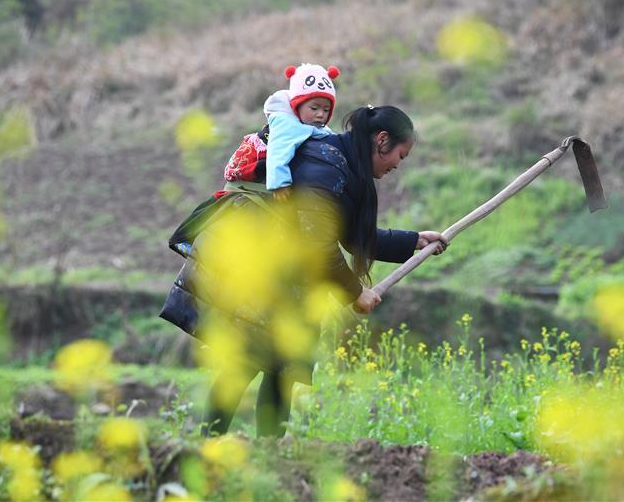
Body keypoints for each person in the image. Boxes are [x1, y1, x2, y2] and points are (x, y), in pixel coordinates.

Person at [160, 104, 448, 437]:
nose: (399, 164)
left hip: (281, 271)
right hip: (259, 265)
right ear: (381, 140)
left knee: (283, 364)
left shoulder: (340, 165)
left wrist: (414, 241)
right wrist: (356, 293)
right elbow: (320, 246)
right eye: (401, 154)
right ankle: (210, 446)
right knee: (250, 360)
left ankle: (268, 452)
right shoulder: (327, 166)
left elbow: (353, 238)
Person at [222, 63, 340, 201]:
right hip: (257, 161)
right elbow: (278, 152)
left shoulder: (311, 121)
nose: (320, 114)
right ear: (298, 105)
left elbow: (327, 135)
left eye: (326, 110)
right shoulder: (285, 122)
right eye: (314, 108)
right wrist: (279, 184)